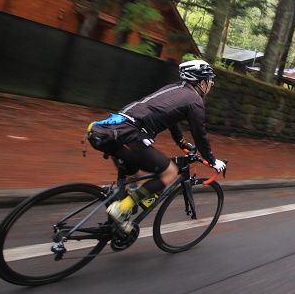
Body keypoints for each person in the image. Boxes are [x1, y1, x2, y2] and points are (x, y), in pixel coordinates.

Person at [87, 59, 226, 234]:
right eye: (210, 81)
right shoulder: (194, 100)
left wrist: (181, 142)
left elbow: (171, 118)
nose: (211, 85)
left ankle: (122, 213)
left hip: (113, 128)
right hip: (130, 137)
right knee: (170, 172)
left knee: (134, 174)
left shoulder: (172, 88)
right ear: (202, 82)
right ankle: (121, 209)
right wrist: (212, 160)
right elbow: (200, 134)